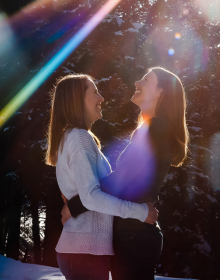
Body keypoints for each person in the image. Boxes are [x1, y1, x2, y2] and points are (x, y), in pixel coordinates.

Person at [62, 67, 189, 280]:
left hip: (135, 235)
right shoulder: (153, 128)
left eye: (146, 80)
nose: (137, 82)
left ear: (160, 92)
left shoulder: (156, 128)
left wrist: (73, 207)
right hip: (133, 234)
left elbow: (120, 180)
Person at [45, 74, 159, 280]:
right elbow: (91, 197)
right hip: (84, 253)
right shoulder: (80, 138)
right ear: (77, 99)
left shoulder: (73, 137)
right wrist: (140, 212)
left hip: (84, 251)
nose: (101, 98)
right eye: (95, 91)